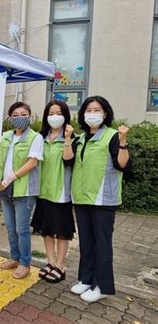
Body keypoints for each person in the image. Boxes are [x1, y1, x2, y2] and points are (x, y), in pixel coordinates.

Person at [64, 96, 131, 303]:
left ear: (105, 113)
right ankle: (86, 278)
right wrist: (67, 138)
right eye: (89, 109)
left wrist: (123, 142)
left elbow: (123, 165)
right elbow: (67, 160)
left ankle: (102, 286)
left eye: (97, 109)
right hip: (82, 198)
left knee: (102, 243)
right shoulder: (80, 138)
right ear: (83, 114)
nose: (92, 113)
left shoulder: (111, 136)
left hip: (103, 200)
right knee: (86, 241)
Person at [0, 102, 43, 279]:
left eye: (23, 114)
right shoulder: (6, 136)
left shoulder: (35, 137)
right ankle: (14, 257)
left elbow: (32, 162)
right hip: (5, 188)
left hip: (24, 189)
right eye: (15, 115)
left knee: (22, 229)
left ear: (29, 116)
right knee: (11, 228)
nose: (19, 118)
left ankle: (25, 263)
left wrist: (10, 178)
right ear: (10, 118)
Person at [30, 100, 75, 283]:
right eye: (50, 113)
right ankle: (50, 262)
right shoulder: (40, 138)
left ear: (65, 115)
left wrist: (68, 139)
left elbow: (68, 160)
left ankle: (60, 265)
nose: (54, 117)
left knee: (62, 231)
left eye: (58, 113)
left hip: (61, 193)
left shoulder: (73, 138)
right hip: (43, 191)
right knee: (47, 230)